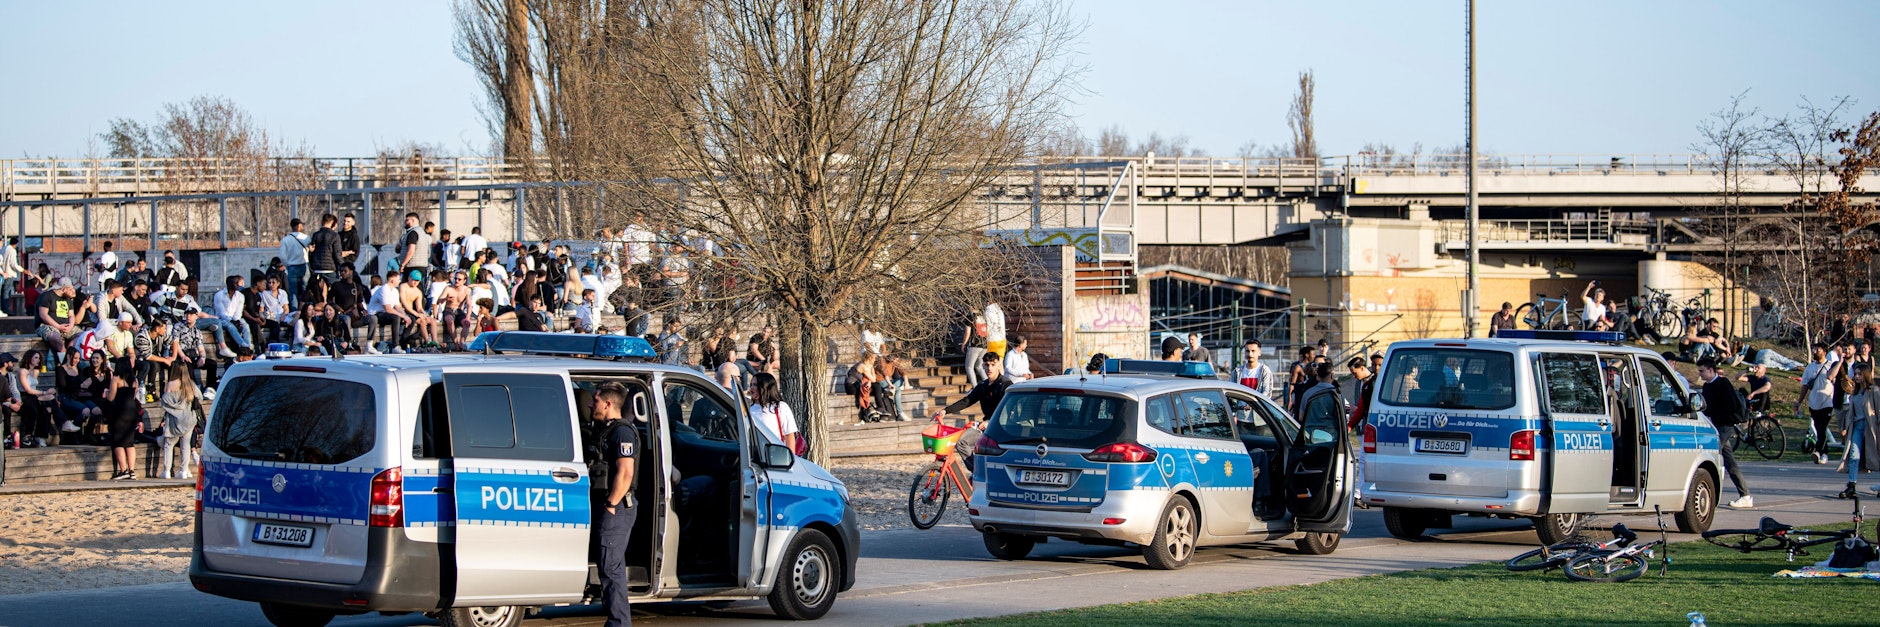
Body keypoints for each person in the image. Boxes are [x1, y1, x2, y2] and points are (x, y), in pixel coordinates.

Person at [588, 382, 638, 627]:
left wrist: (610, 504)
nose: (590, 404)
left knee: (611, 569)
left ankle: (619, 623)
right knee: (607, 566)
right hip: (606, 505)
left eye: (595, 400)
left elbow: (626, 473)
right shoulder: (604, 429)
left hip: (616, 507)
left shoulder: (622, 433)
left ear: (607, 404)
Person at [1694, 358, 1754, 509]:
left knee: (1711, 454)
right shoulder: (1707, 387)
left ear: (1711, 370)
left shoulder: (1723, 383)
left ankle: (1709, 493)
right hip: (1715, 426)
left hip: (1726, 425)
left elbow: (1731, 406)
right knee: (1729, 461)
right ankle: (1745, 495)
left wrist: (1715, 416)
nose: (1700, 374)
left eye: (1702, 371)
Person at [1835, 364, 1879, 499]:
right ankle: (1852, 485)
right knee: (1854, 456)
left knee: (1876, 456)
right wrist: (1845, 427)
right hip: (1857, 426)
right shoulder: (1854, 392)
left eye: (1860, 374)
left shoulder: (1873, 391)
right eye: (1856, 374)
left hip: (1871, 427)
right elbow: (1851, 412)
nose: (1857, 376)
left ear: (1865, 375)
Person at [934, 352, 1011, 421]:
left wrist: (989, 422)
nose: (989, 368)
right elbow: (967, 401)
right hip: (988, 425)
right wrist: (945, 410)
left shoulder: (1006, 384)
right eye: (987, 365)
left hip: (1003, 426)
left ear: (999, 365)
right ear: (983, 366)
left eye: (993, 365)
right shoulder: (982, 385)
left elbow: (1006, 409)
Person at [158, 361, 202, 480]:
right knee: (185, 445)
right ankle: (183, 470)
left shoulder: (170, 385)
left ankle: (167, 470)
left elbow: (165, 402)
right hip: (188, 418)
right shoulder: (191, 384)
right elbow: (200, 397)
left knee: (169, 444)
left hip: (174, 420)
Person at [1800, 344, 1841, 464]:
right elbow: (1805, 385)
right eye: (1814, 349)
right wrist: (1799, 401)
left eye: (1818, 350)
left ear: (1824, 352)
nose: (1815, 352)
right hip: (1814, 403)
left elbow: (1836, 381)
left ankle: (1820, 452)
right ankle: (1823, 453)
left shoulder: (1830, 365)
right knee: (1819, 428)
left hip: (1827, 402)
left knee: (1822, 428)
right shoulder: (1810, 368)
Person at [103, 366, 141, 480]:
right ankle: (132, 470)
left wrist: (106, 394)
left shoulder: (116, 379)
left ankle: (123, 470)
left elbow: (111, 397)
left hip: (120, 410)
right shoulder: (135, 379)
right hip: (132, 410)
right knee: (129, 442)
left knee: (118, 440)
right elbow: (134, 396)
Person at [748, 373, 799, 452]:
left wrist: (791, 459)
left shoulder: (780, 407)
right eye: (751, 384)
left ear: (765, 387)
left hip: (775, 455)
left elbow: (789, 436)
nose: (751, 388)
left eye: (755, 385)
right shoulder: (749, 408)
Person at [36, 277, 80, 364]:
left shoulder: (67, 298)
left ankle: (69, 352)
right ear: (63, 289)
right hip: (48, 325)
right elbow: (43, 315)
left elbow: (71, 315)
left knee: (83, 335)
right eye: (70, 289)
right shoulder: (47, 296)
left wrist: (71, 325)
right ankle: (64, 362)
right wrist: (58, 326)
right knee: (56, 338)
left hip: (66, 325)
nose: (72, 291)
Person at [368, 272, 411, 353]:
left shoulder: (395, 291)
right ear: (392, 280)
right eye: (398, 279)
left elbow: (397, 306)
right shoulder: (384, 289)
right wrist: (402, 316)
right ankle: (395, 346)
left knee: (411, 318)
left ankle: (402, 342)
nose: (399, 281)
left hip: (385, 314)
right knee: (396, 317)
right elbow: (388, 309)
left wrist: (405, 316)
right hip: (376, 314)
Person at [280, 218, 311, 308]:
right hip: (304, 265)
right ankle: (306, 309)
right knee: (305, 289)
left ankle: (294, 311)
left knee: (293, 292)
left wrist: (287, 265)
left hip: (292, 267)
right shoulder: (306, 238)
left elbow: (282, 256)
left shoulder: (285, 240)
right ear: (298, 226)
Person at [399, 213, 431, 284]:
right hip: (422, 266)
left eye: (407, 220)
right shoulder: (423, 233)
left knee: (409, 288)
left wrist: (403, 264)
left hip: (412, 267)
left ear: (413, 221)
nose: (405, 222)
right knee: (418, 288)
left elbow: (411, 250)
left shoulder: (412, 233)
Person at [962, 313, 990, 387]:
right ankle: (988, 385)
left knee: (969, 367)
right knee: (979, 366)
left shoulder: (970, 317)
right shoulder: (984, 316)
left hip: (975, 345)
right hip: (984, 344)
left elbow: (967, 333)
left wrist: (964, 344)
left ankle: (975, 388)